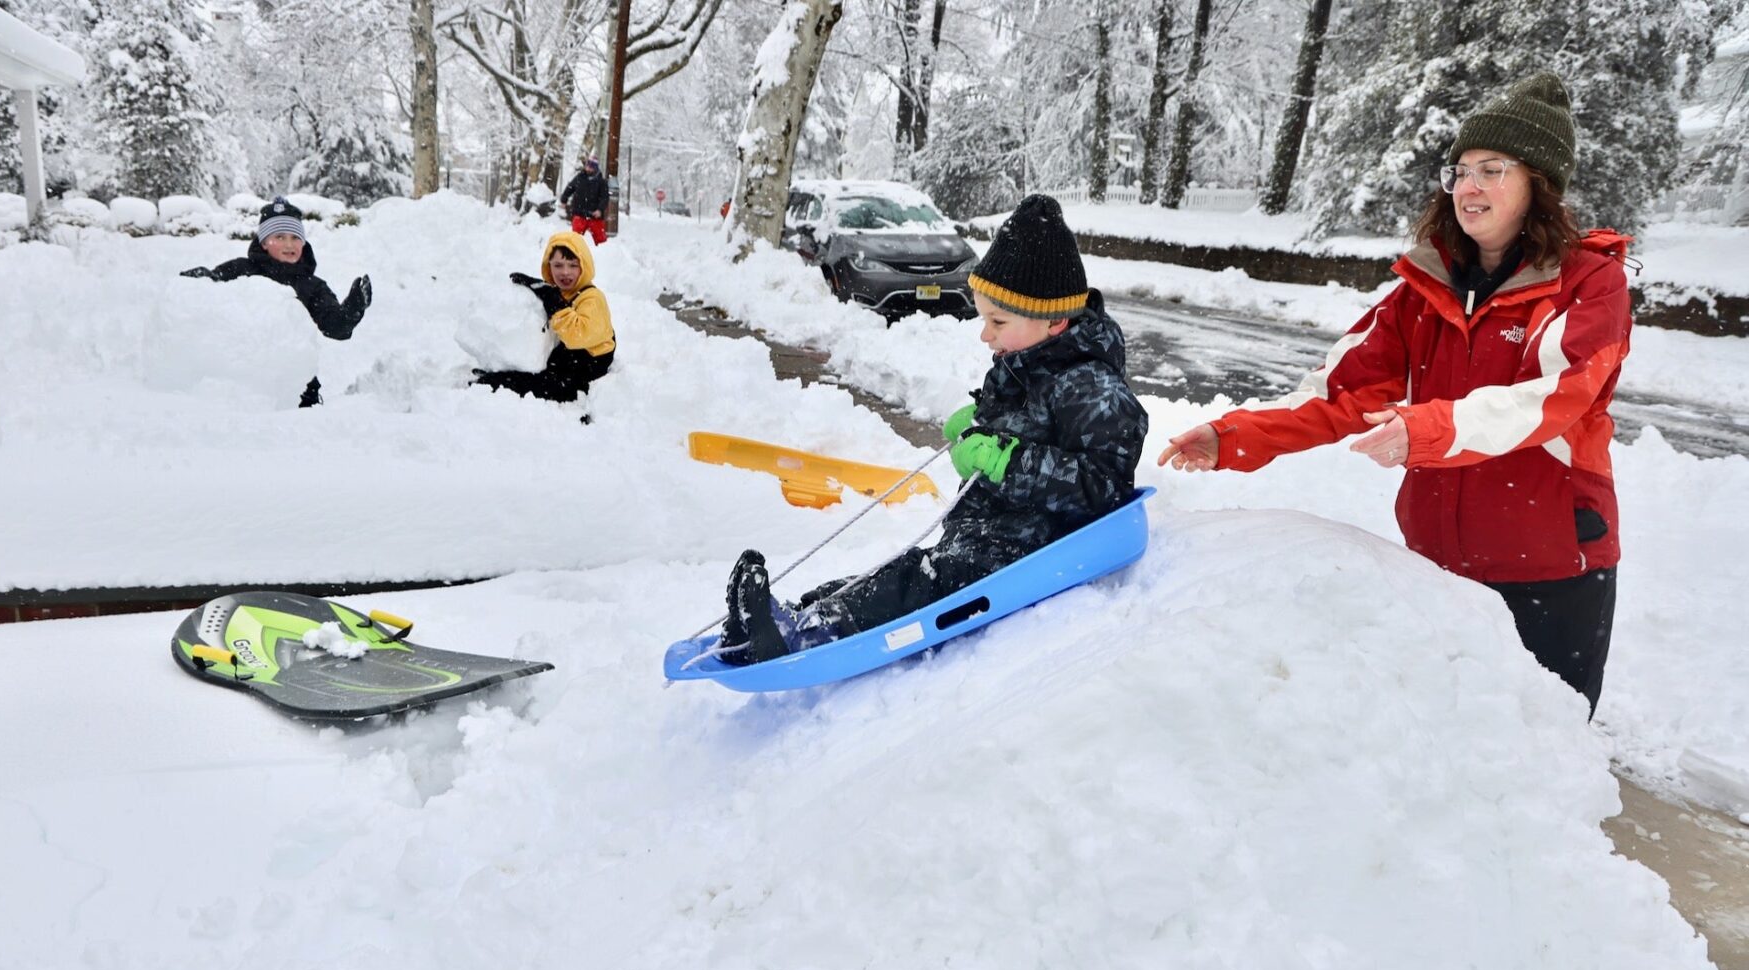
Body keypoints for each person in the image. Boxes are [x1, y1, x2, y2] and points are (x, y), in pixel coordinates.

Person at [1155, 71, 1630, 717]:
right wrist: (1237, 434)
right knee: (1446, 736)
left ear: (1539, 185)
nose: (1468, 186)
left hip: (1551, 560)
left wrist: (1427, 427)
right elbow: (1343, 389)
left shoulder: (1589, 284)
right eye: (1460, 170)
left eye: (1492, 169)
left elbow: (1552, 400)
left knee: (1548, 744)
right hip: (1437, 558)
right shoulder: (1423, 288)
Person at [718, 195, 1148, 665]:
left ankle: (808, 636)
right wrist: (979, 427)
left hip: (1033, 547)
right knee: (905, 571)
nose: (986, 335)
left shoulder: (1095, 390)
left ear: (1055, 321)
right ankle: (793, 617)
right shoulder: (1025, 361)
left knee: (919, 585)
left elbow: (1105, 486)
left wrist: (1007, 462)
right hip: (989, 530)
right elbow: (1020, 428)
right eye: (985, 320)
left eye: (997, 322)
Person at [181, 197, 372, 407]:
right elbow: (212, 290)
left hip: (297, 388)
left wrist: (354, 307)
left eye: (295, 237)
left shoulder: (313, 287)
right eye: (279, 237)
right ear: (263, 242)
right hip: (243, 379)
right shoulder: (240, 270)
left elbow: (335, 326)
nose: (289, 244)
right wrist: (202, 279)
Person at [471, 230, 616, 404]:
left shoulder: (592, 298)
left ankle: (500, 384)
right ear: (549, 266)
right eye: (558, 265)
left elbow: (578, 335)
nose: (565, 272)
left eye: (573, 265)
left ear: (584, 266)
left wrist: (554, 301)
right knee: (541, 372)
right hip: (570, 358)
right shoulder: (563, 292)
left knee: (542, 386)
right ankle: (503, 376)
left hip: (588, 367)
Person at [559, 157, 609, 245]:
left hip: (594, 216)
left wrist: (600, 210)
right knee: (575, 240)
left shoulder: (601, 182)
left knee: (601, 241)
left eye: (591, 167)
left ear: (595, 168)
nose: (588, 169)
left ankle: (601, 255)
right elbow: (570, 188)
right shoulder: (580, 177)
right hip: (579, 213)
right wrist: (564, 200)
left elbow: (604, 198)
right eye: (587, 166)